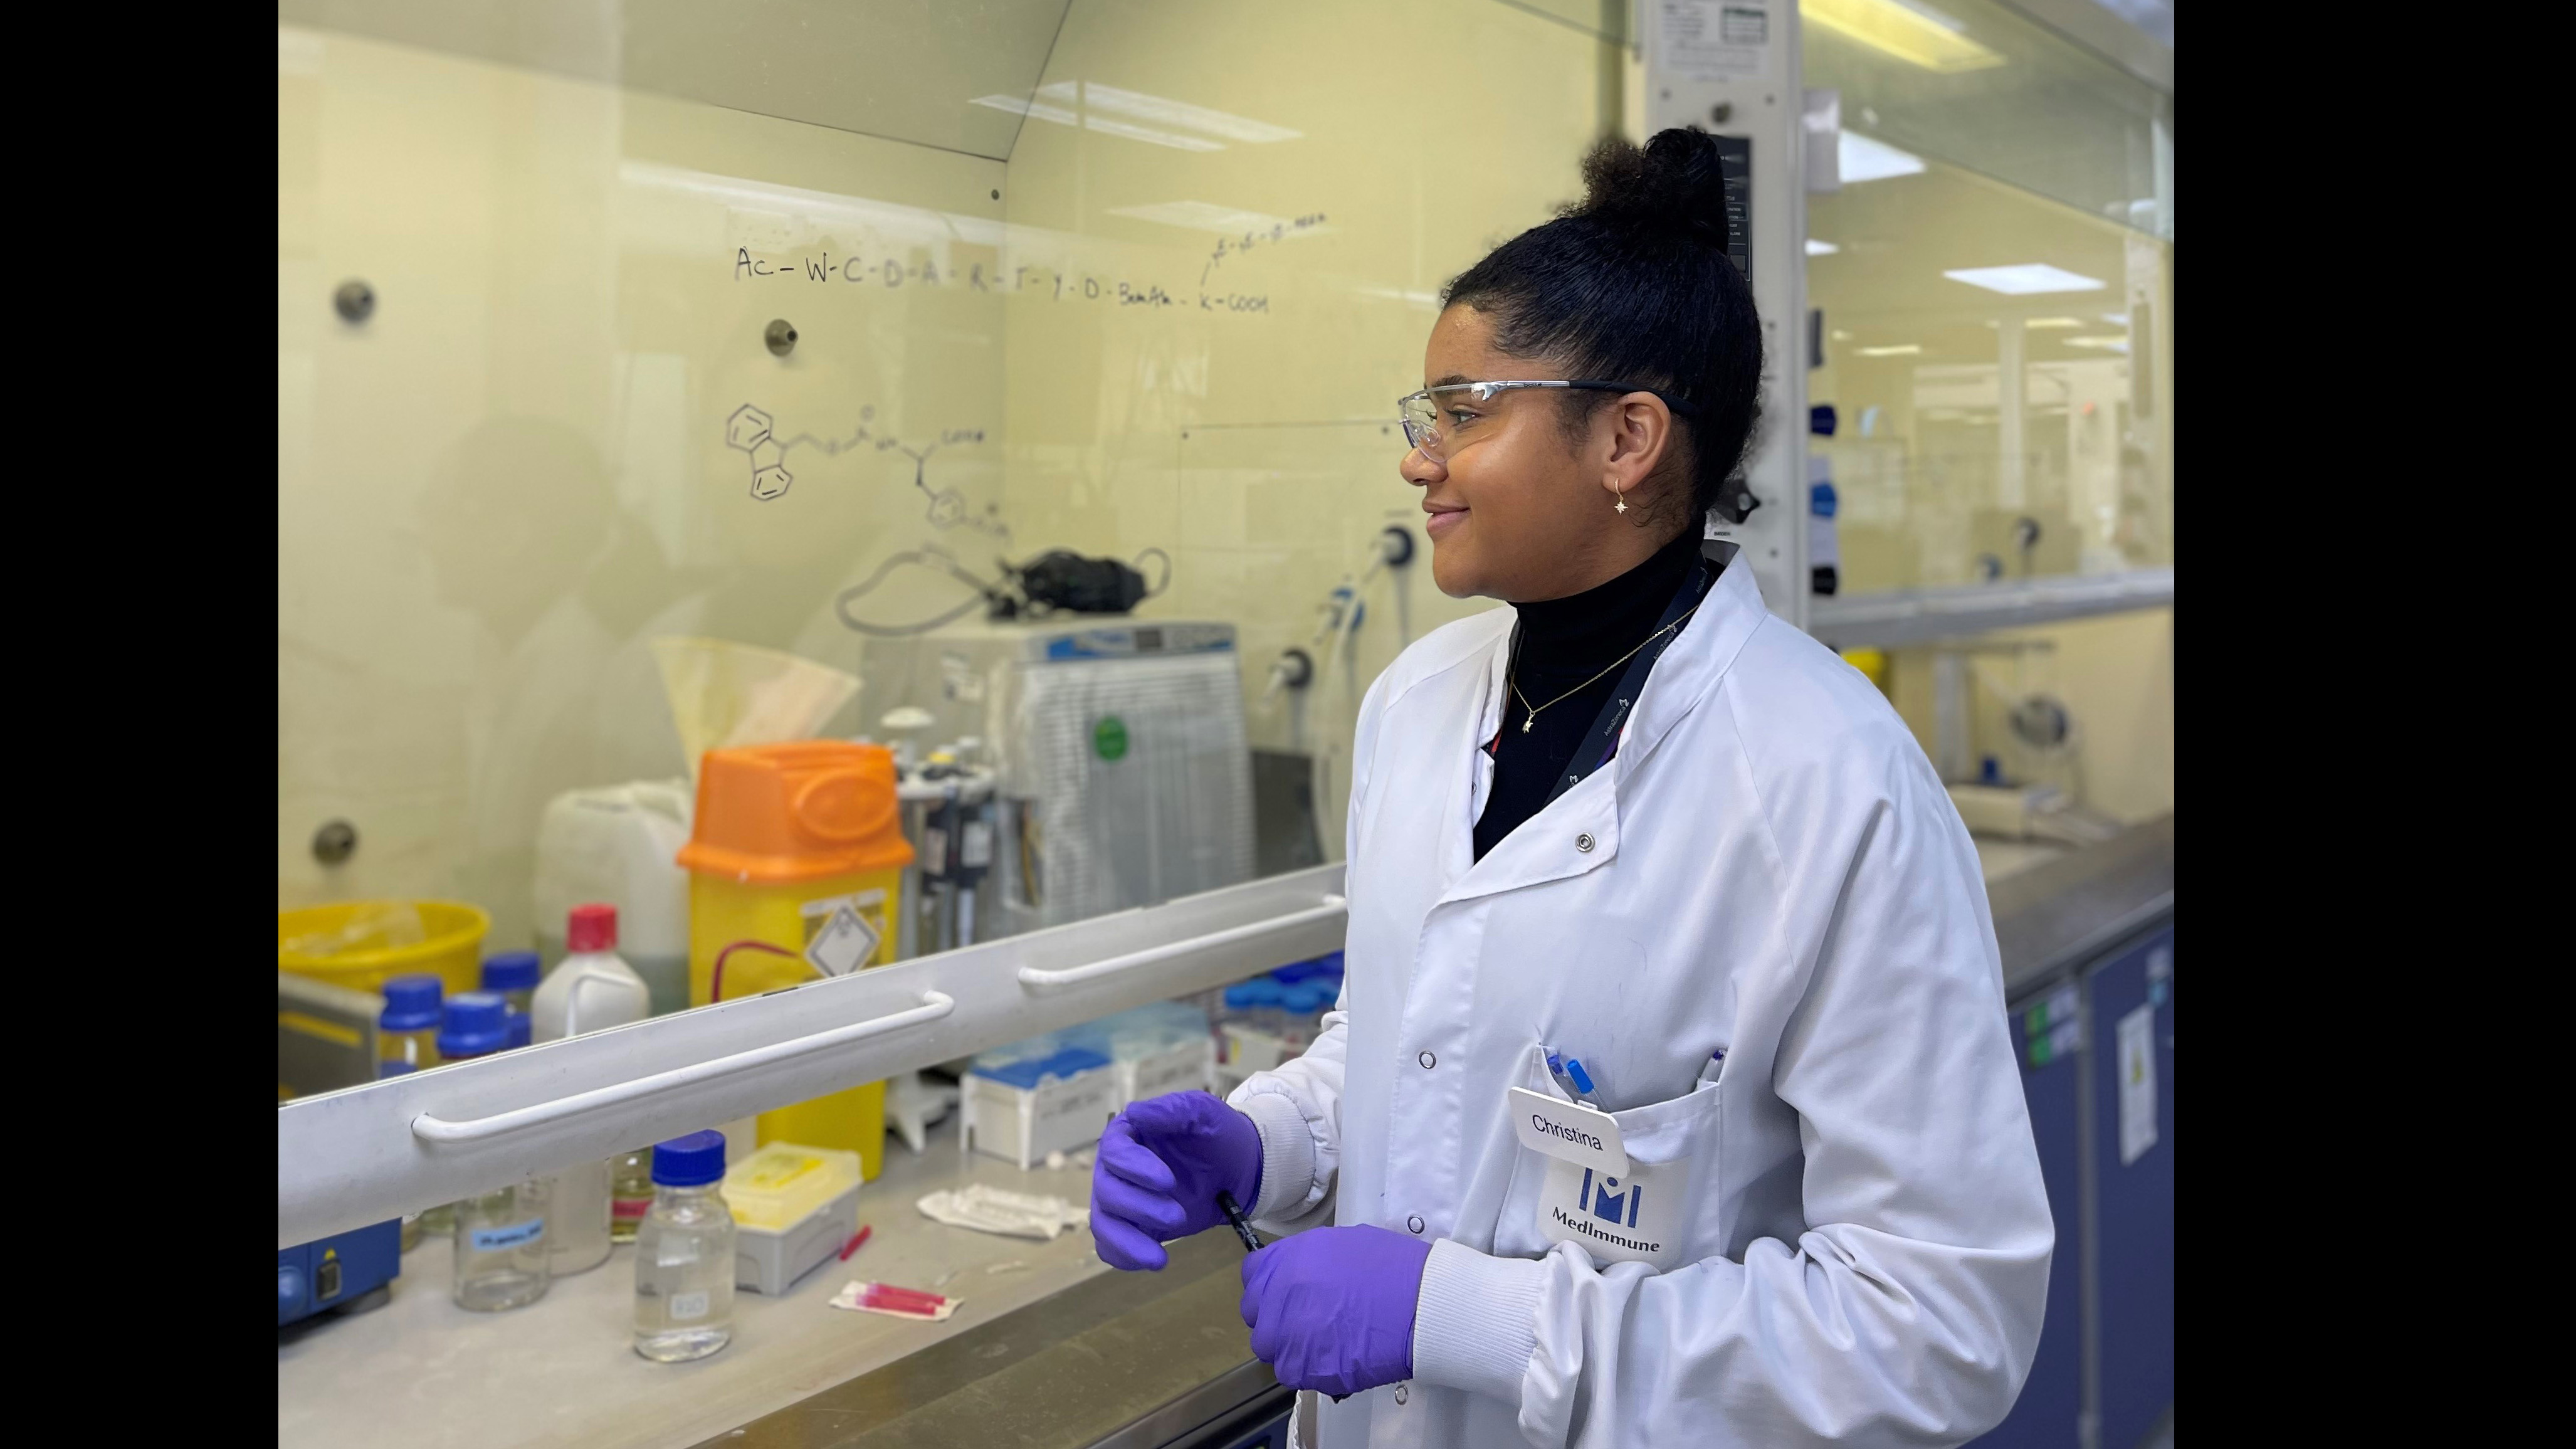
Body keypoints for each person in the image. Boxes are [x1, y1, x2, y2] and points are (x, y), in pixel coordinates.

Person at [1089, 129, 2052, 1448]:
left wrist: (1460, 1317)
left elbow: (1939, 1325)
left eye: (1463, 411)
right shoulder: (1416, 708)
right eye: (1424, 417)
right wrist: (1272, 1143)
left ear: (1626, 439)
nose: (1419, 458)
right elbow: (1412, 1042)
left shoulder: (1828, 782)